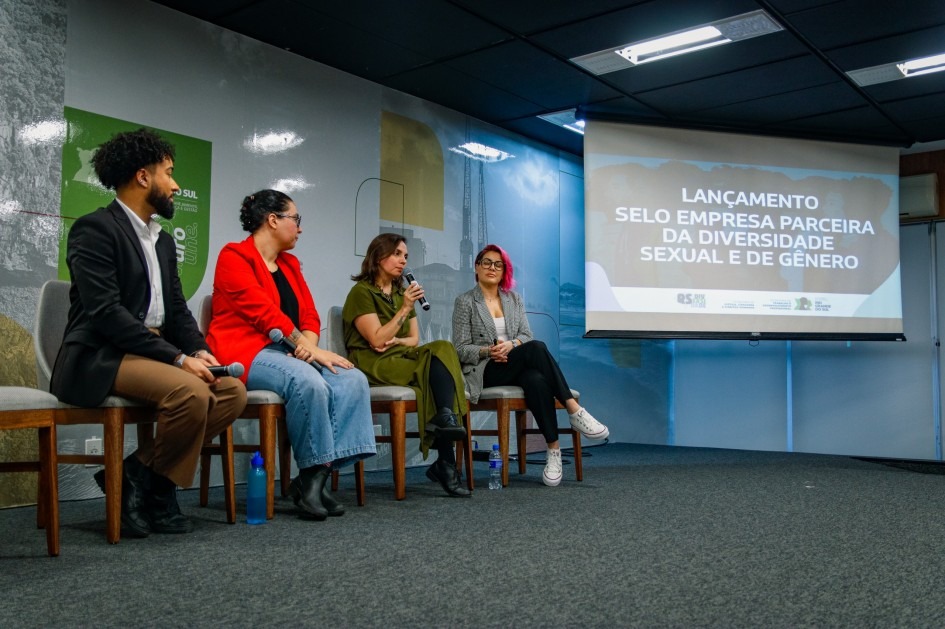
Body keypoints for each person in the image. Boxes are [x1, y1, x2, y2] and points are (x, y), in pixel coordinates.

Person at [51, 128, 247, 537]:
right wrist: (177, 358)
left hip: (151, 350)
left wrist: (198, 349)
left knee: (231, 391)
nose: (175, 185)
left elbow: (176, 309)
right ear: (143, 177)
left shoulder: (161, 240)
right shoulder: (93, 230)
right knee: (190, 391)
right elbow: (106, 314)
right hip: (100, 354)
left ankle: (139, 478)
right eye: (169, 173)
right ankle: (156, 489)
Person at [206, 189, 376, 520]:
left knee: (352, 379)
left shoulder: (290, 264)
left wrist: (308, 346)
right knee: (307, 380)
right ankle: (313, 476)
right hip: (247, 352)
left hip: (290, 351)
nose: (299, 228)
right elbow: (264, 314)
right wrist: (309, 351)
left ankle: (314, 479)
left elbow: (309, 314)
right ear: (272, 220)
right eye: (295, 220)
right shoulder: (233, 257)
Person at [451, 244, 609, 487]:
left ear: (504, 271)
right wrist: (489, 351)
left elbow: (525, 334)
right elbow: (460, 349)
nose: (492, 268)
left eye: (498, 264)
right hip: (486, 370)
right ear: (477, 267)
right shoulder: (465, 302)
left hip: (515, 364)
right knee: (537, 348)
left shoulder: (514, 299)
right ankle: (574, 410)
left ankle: (553, 452)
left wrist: (511, 345)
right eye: (486, 262)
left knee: (536, 378)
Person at [343, 233, 470, 497]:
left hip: (398, 354)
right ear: (379, 256)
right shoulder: (361, 292)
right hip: (372, 362)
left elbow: (413, 340)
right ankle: (446, 459)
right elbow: (376, 340)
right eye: (397, 254)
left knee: (443, 348)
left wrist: (396, 338)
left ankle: (444, 423)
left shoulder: (403, 292)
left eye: (406, 256)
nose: (403, 261)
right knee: (431, 374)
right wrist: (404, 309)